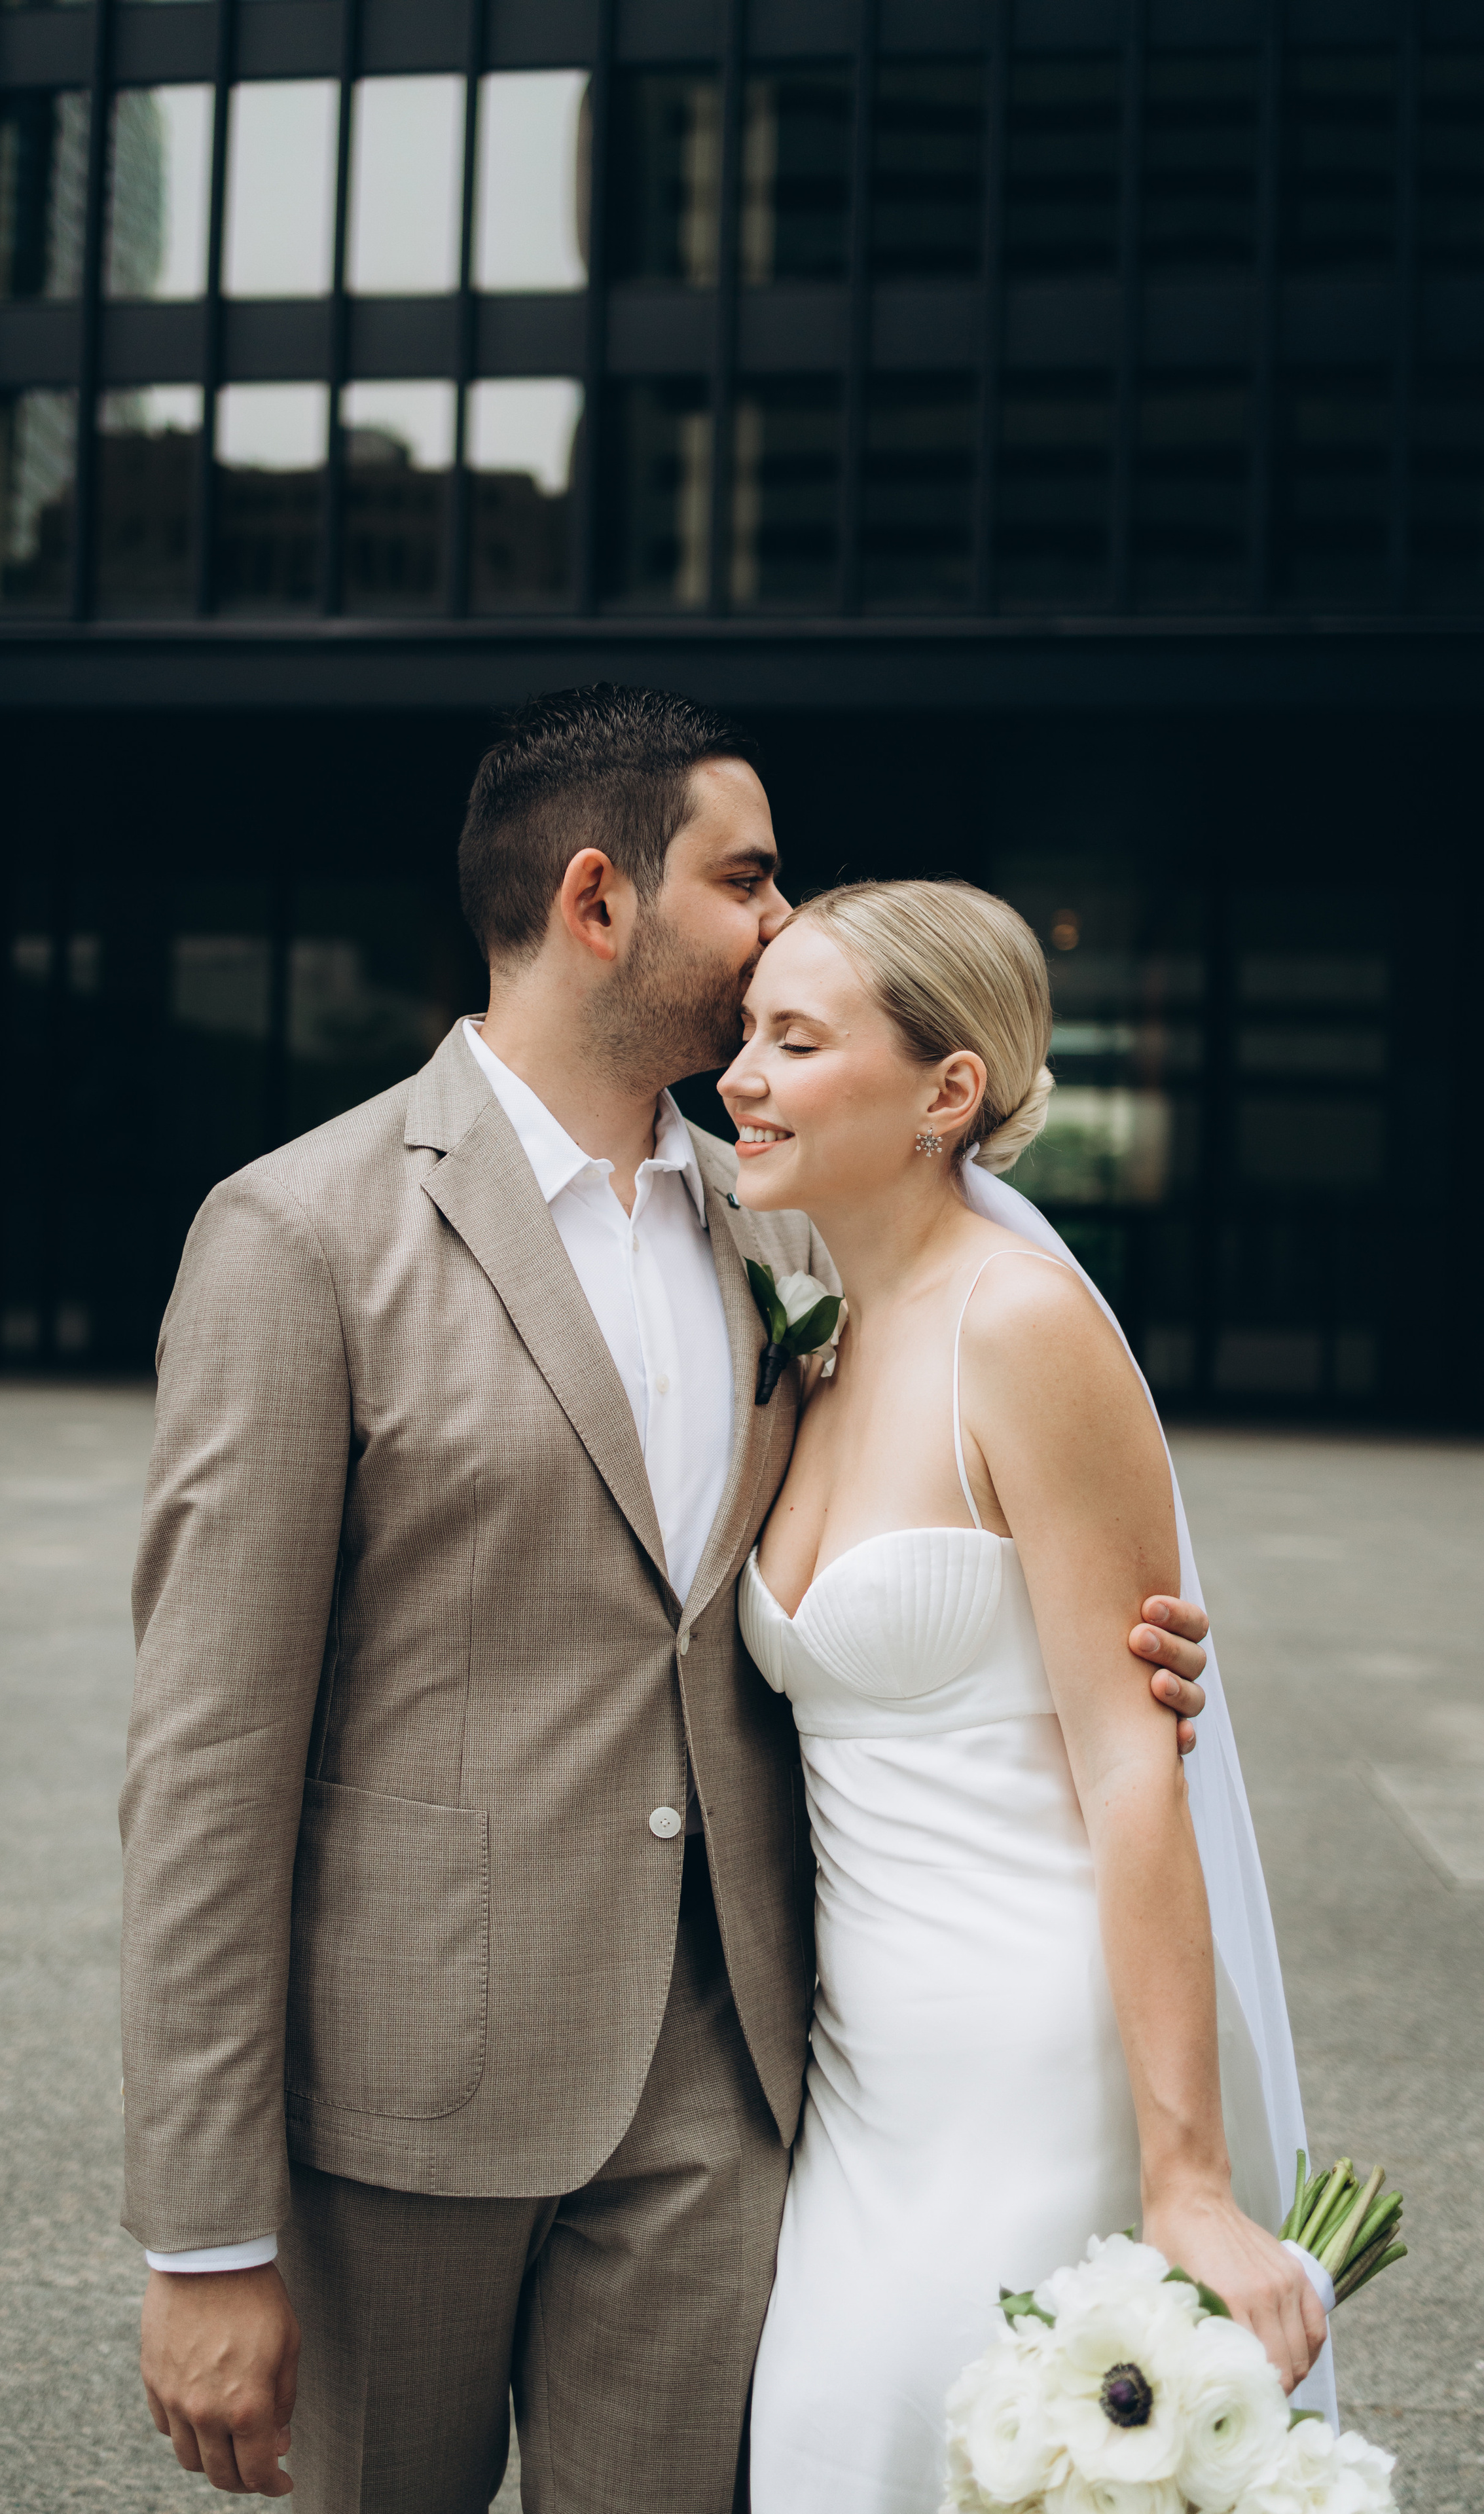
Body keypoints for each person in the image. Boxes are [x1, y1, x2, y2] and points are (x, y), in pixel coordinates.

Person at [120, 688, 1216, 2513]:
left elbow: (966, 1494)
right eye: (748, 879)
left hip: (730, 2104)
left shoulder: (792, 1222)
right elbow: (205, 1766)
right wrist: (204, 2233)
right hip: (406, 2113)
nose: (783, 923)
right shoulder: (299, 1235)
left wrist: (1111, 1642)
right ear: (596, 901)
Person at [724, 879, 1329, 2514]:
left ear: (947, 1091)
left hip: (1031, 2060)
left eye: (795, 1041)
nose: (740, 1077)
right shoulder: (818, 1332)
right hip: (857, 2077)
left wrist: (1186, 2180)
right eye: (745, 1033)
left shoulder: (1024, 1326)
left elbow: (1134, 1772)